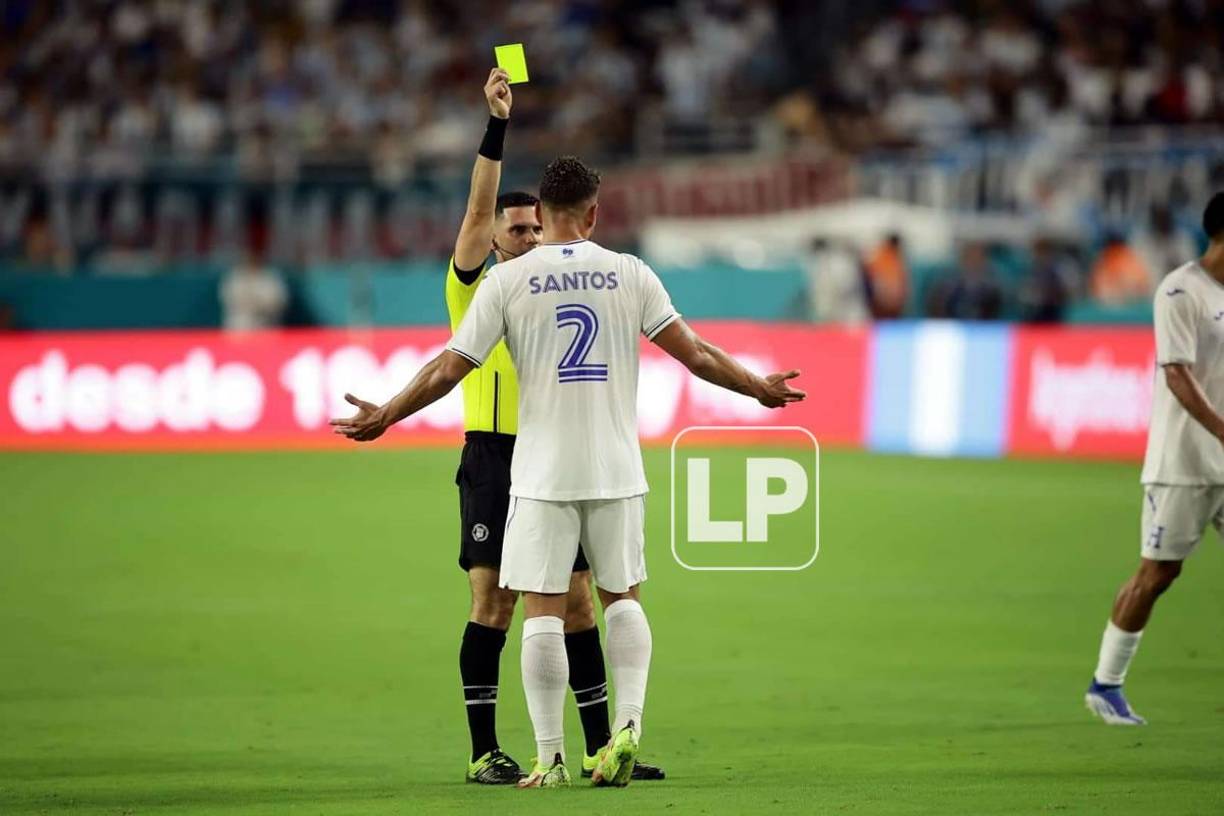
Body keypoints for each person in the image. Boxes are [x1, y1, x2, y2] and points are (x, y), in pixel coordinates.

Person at [331, 156, 806, 787]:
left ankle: (550, 757)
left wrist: (387, 414)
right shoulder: (628, 272)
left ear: (543, 216)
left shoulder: (507, 281)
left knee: (545, 614)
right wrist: (757, 387)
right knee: (621, 600)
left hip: (540, 474)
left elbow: (449, 368)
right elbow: (694, 353)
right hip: (616, 468)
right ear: (592, 213)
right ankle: (626, 728)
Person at [440, 69, 663, 784]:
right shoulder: (476, 279)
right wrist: (498, 125)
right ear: (494, 237)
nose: (530, 235)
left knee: (575, 604)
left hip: (548, 454)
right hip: (492, 455)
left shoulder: (543, 281)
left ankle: (605, 747)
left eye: (537, 225)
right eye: (518, 228)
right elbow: (476, 214)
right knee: (494, 600)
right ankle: (483, 750)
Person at [1085, 192, 1224, 725]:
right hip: (1184, 464)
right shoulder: (1180, 290)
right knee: (1158, 574)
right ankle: (1106, 683)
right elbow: (1176, 372)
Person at [219, 251, 288, 331]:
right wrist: (253, 301)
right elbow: (229, 300)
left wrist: (257, 304)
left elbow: (279, 302)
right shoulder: (234, 277)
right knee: (239, 323)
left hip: (266, 323)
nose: (251, 263)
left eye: (254, 261)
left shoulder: (271, 277)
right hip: (240, 324)